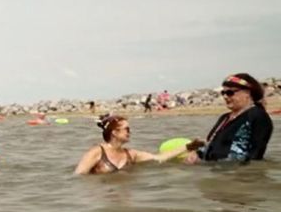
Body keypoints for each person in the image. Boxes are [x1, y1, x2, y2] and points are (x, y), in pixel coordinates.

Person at [74, 115, 204, 175]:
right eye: (127, 129)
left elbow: (159, 158)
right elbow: (79, 177)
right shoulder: (96, 152)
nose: (130, 132)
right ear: (114, 132)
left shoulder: (131, 154)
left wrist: (189, 147)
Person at [188, 73, 273, 163]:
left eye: (230, 93)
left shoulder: (257, 116)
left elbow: (255, 155)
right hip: (216, 171)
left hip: (236, 173)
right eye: (223, 93)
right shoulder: (224, 118)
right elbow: (212, 144)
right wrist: (197, 154)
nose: (225, 96)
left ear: (247, 93)